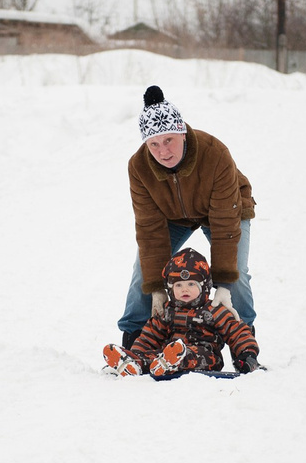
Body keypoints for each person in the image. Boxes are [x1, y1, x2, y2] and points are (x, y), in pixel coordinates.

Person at [121, 85, 256, 346]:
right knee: (143, 273)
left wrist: (224, 285)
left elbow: (225, 224)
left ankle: (245, 341)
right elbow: (149, 230)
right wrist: (157, 289)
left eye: (168, 140)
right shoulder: (139, 167)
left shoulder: (214, 153)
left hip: (224, 210)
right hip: (172, 216)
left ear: (181, 132)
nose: (163, 151)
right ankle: (134, 339)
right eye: (154, 144)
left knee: (235, 271)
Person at [105, 249, 261, 377]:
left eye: (191, 284)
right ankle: (133, 363)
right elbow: (150, 335)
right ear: (171, 288)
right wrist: (138, 352)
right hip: (166, 354)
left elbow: (237, 332)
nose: (184, 289)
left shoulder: (214, 310)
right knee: (153, 355)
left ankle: (171, 361)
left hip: (205, 356)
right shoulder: (167, 310)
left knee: (190, 354)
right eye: (178, 285)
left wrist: (247, 355)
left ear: (204, 286)